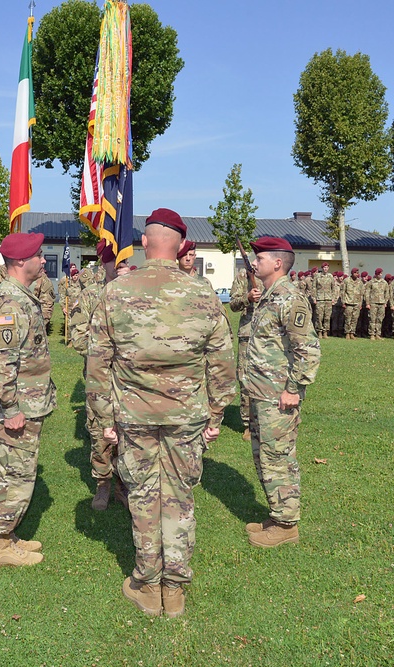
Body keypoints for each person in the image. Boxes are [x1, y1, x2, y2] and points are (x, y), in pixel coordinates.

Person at [87, 208, 236, 618]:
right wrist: (217, 415)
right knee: (179, 497)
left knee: (144, 495)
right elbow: (223, 363)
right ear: (180, 245)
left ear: (147, 242)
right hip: (186, 415)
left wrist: (104, 421)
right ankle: (175, 588)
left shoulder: (116, 290)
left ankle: (148, 584)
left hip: (133, 417)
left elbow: (98, 363)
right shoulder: (203, 293)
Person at [0, 232, 56, 567]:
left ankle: (8, 535)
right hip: (15, 408)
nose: (42, 260)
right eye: (38, 255)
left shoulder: (20, 296)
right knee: (12, 475)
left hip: (27, 403)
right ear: (21, 261)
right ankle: (0, 546)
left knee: (16, 472)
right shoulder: (10, 303)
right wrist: (10, 408)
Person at [242, 236, 320, 548]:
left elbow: (308, 350)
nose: (254, 262)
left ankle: (287, 524)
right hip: (262, 393)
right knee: (265, 457)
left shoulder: (290, 299)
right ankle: (277, 514)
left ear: (277, 263)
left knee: (278, 458)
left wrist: (293, 389)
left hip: (279, 397)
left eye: (259, 257)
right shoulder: (269, 296)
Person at [70, 242, 133, 510]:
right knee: (100, 432)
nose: (121, 269)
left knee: (130, 432)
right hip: (101, 379)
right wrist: (105, 352)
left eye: (125, 263)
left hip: (131, 379)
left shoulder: (136, 294)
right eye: (115, 263)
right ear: (104, 265)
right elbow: (77, 337)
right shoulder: (89, 296)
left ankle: (124, 483)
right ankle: (102, 483)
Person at [229, 267, 256, 441]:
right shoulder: (243, 275)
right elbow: (233, 304)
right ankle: (248, 424)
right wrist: (248, 297)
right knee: (245, 378)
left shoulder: (275, 274)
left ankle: (265, 421)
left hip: (271, 333)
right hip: (248, 332)